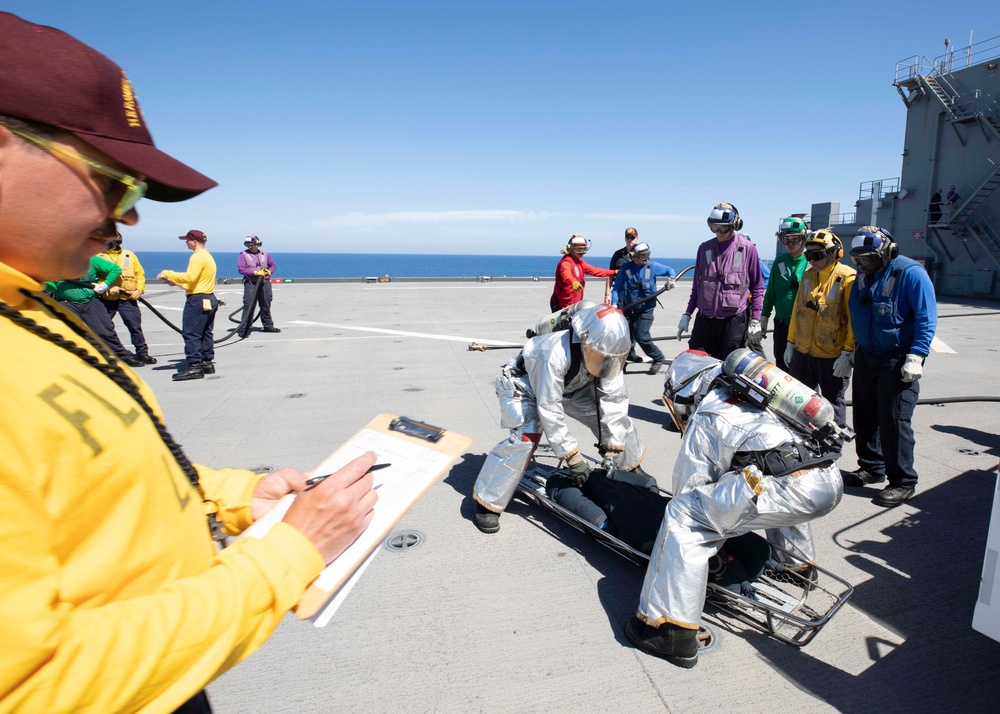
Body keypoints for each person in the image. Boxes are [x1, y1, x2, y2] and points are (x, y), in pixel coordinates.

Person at [0, 14, 378, 712]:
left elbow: (100, 475)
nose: (128, 218)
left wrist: (236, 498)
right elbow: (29, 685)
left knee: (199, 342)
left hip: (163, 678)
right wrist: (289, 556)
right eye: (115, 183)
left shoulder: (25, 305)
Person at [626, 350, 843, 668]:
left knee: (683, 517)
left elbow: (691, 487)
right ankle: (797, 567)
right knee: (765, 482)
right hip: (828, 481)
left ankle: (668, 630)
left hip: (794, 489)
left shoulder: (709, 411)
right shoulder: (754, 395)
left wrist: (705, 548)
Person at [472, 303, 646, 533]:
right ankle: (488, 499)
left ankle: (629, 469)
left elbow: (614, 400)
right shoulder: (551, 353)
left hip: (572, 387)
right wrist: (572, 457)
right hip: (526, 387)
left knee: (620, 424)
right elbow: (549, 408)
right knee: (526, 436)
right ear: (584, 341)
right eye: (599, 357)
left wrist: (613, 448)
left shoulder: (607, 353)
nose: (604, 364)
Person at [843, 226, 937, 507]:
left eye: (868, 259)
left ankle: (903, 481)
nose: (863, 265)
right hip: (866, 354)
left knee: (894, 420)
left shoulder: (911, 273)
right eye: (858, 260)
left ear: (888, 252)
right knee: (865, 415)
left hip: (896, 357)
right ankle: (872, 467)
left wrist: (917, 356)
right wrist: (850, 350)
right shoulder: (863, 274)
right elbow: (856, 311)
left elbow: (926, 318)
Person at [785, 229, 856, 434]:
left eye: (817, 255)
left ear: (834, 253)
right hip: (803, 351)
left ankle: (833, 445)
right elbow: (798, 310)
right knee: (800, 402)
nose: (813, 261)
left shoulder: (847, 278)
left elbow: (853, 320)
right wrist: (791, 342)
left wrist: (847, 352)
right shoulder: (808, 276)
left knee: (833, 404)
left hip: (831, 355)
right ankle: (805, 442)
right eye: (809, 256)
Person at [678, 203, 764, 360]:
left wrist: (755, 319)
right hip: (705, 320)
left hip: (733, 321)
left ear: (734, 225)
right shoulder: (704, 249)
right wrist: (687, 314)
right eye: (714, 227)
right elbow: (697, 287)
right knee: (697, 360)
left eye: (723, 228)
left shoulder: (748, 249)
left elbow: (757, 288)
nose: (718, 232)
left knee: (730, 364)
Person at [45, 254, 146, 367]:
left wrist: (105, 285)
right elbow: (53, 286)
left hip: (91, 301)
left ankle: (122, 357)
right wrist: (44, 284)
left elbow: (115, 269)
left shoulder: (91, 259)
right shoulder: (55, 263)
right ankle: (64, 361)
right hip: (66, 302)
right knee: (65, 332)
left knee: (105, 331)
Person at [158, 230, 219, 381]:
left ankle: (194, 366)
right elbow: (196, 282)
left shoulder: (197, 257)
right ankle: (207, 362)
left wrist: (168, 273)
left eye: (187, 240)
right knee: (205, 332)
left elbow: (190, 277)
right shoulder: (208, 256)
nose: (186, 243)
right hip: (208, 298)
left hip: (197, 300)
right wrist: (175, 282)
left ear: (194, 242)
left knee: (191, 333)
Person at [610, 241, 677, 373]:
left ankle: (658, 358)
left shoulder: (652, 266)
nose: (645, 258)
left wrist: (672, 279)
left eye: (647, 255)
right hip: (629, 309)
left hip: (646, 309)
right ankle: (622, 363)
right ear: (634, 256)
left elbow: (670, 270)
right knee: (623, 338)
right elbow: (616, 288)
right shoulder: (626, 269)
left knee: (641, 336)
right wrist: (614, 304)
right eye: (642, 256)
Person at [97, 230, 157, 364]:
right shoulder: (98, 256)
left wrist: (139, 290)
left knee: (134, 326)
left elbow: (139, 274)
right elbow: (94, 276)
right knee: (103, 327)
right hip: (107, 299)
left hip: (127, 298)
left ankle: (142, 353)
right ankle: (107, 352)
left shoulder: (129, 255)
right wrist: (105, 287)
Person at [761, 217, 808, 371]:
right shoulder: (779, 262)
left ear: (804, 238)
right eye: (786, 239)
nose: (790, 244)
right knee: (781, 368)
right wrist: (764, 316)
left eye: (795, 239)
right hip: (782, 326)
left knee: (803, 372)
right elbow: (770, 293)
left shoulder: (811, 262)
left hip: (804, 328)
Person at [550, 234, 616, 312]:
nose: (581, 252)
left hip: (574, 304)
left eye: (584, 249)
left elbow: (595, 271)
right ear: (571, 249)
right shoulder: (566, 262)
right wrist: (573, 282)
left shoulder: (579, 262)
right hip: (562, 305)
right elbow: (566, 275)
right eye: (578, 249)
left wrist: (614, 272)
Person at [237, 234, 280, 338]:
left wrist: (269, 271)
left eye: (252, 244)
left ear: (257, 244)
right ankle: (244, 329)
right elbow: (241, 269)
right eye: (248, 245)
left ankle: (268, 326)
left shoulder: (265, 255)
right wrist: (255, 273)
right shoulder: (243, 255)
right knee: (249, 305)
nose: (250, 247)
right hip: (251, 283)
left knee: (266, 303)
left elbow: (273, 265)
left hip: (264, 282)